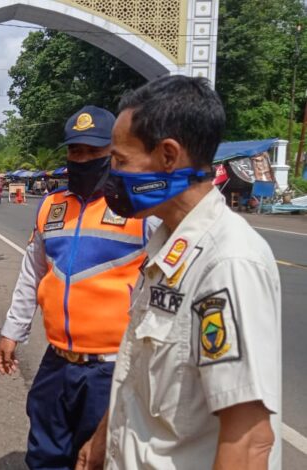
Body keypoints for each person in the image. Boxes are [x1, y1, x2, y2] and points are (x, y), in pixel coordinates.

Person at [77, 76, 281, 469]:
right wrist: (102, 441)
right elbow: (137, 372)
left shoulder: (227, 263)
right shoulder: (166, 251)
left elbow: (251, 440)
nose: (111, 176)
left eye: (120, 161)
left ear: (168, 156)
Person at [0, 106, 151, 469]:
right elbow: (32, 273)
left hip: (110, 370)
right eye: (75, 151)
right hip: (58, 363)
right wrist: (11, 332)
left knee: (100, 459)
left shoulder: (140, 210)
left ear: (113, 153)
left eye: (93, 152)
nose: (82, 159)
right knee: (45, 455)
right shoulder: (52, 206)